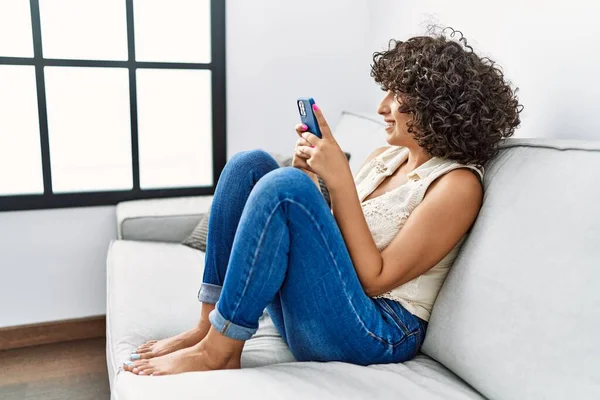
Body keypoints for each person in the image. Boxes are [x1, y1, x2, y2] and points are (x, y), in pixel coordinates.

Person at [124, 27, 522, 376]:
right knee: (251, 166)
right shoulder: (386, 159)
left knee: (284, 186)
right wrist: (309, 176)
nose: (383, 107)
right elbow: (329, 240)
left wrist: (337, 182)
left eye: (398, 95)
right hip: (329, 306)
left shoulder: (457, 185)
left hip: (376, 331)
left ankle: (220, 351)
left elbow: (375, 279)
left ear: (438, 106)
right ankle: (208, 324)